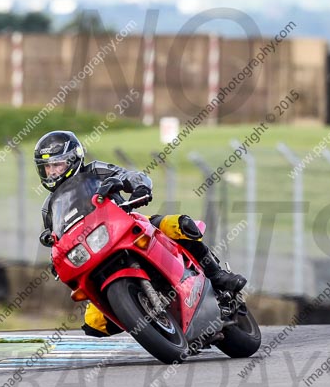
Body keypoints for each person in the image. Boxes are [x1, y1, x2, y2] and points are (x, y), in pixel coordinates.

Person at [34, 130, 247, 337]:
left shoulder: (95, 171)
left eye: (56, 164)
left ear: (73, 159)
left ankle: (217, 276)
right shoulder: (49, 207)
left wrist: (139, 187)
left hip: (126, 226)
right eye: (47, 168)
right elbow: (55, 238)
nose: (52, 172)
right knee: (93, 323)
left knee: (177, 225)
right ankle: (144, 320)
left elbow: (130, 175)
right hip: (95, 251)